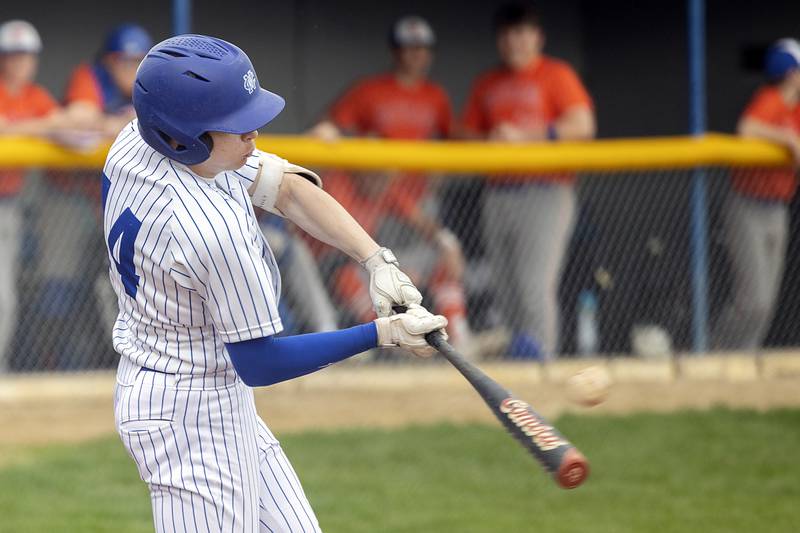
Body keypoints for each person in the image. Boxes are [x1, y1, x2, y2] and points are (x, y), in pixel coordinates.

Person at [105, 34, 447, 532]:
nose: (254, 136)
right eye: (236, 126)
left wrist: (376, 260)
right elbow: (260, 362)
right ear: (182, 135)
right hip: (188, 421)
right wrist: (381, 334)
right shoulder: (206, 231)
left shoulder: (138, 138)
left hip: (198, 387)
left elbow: (287, 189)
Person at [309, 16, 476, 349]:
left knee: (439, 256)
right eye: (407, 49)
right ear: (395, 52)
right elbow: (330, 126)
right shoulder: (370, 94)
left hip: (412, 203)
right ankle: (380, 340)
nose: (414, 56)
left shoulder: (435, 96)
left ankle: (460, 339)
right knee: (352, 273)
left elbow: (455, 140)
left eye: (421, 49)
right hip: (344, 252)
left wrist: (443, 238)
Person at [460, 3, 595, 359]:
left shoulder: (556, 74)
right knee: (506, 290)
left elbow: (582, 126)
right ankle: (521, 364)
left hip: (546, 191)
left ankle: (543, 363)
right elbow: (466, 136)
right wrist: (492, 139)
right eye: (506, 34)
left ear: (538, 37)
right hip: (498, 193)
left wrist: (527, 135)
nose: (513, 42)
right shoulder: (488, 82)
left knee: (534, 287)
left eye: (521, 33)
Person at [712, 38, 800, 351]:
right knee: (753, 299)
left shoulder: (797, 108)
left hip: (777, 208)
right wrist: (785, 137)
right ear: (791, 73)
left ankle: (745, 361)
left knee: (767, 303)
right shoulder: (770, 98)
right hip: (747, 206)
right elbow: (747, 128)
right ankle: (715, 356)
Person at [0, 20, 63, 371]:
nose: (20, 63)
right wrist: (40, 128)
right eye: (13, 55)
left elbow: (66, 122)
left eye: (26, 56)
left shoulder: (33, 97)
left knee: (5, 299)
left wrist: (22, 128)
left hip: (9, 208)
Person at [63, 23, 152, 141]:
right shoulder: (91, 76)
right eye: (125, 61)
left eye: (139, 61)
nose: (133, 69)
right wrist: (117, 124)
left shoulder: (154, 81)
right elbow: (79, 118)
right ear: (108, 61)